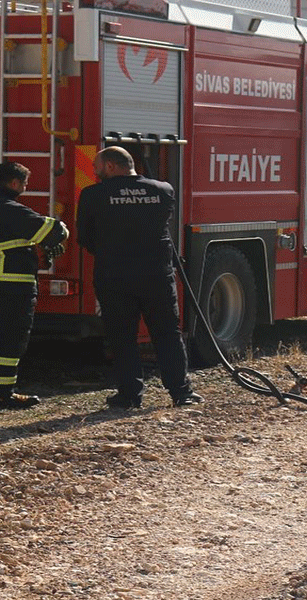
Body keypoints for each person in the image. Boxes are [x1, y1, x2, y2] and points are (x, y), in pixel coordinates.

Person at [77, 146, 202, 409]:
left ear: (110, 166)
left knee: (122, 337)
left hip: (114, 276)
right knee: (168, 333)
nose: (95, 172)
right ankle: (181, 392)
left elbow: (84, 239)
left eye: (97, 167)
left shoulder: (93, 194)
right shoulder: (163, 190)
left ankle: (129, 395)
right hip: (156, 275)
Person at [0, 162, 67, 409]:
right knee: (7, 340)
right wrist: (59, 229)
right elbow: (54, 233)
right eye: (24, 185)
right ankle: (0, 394)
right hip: (10, 284)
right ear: (14, 183)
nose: (25, 189)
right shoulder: (9, 209)